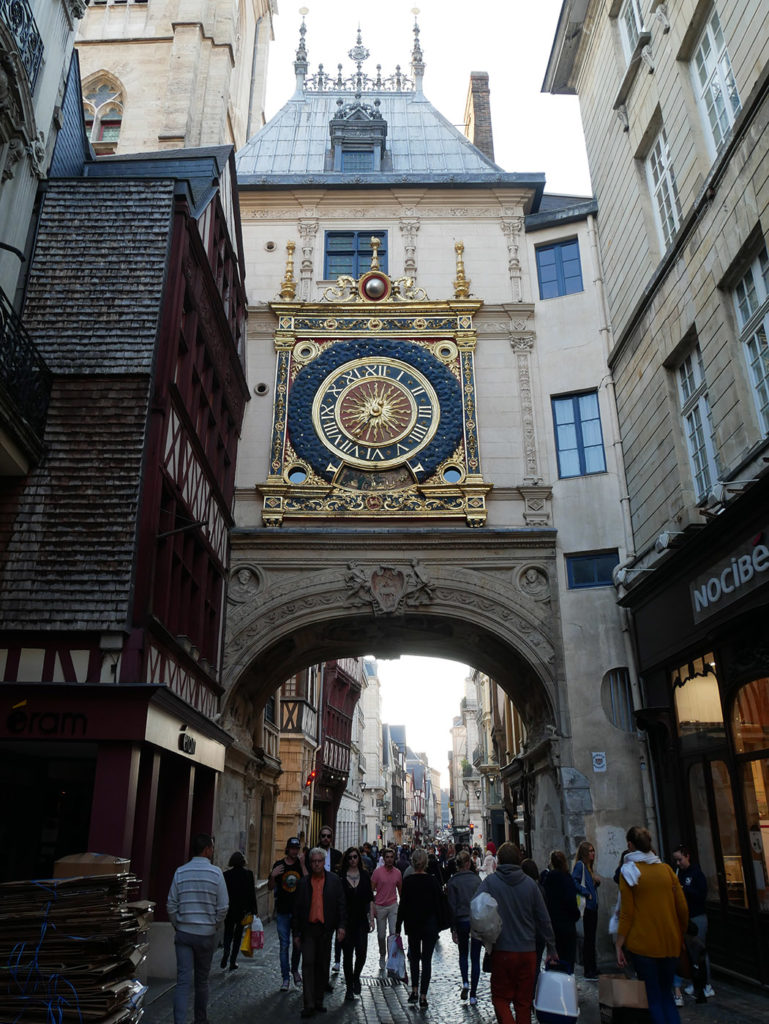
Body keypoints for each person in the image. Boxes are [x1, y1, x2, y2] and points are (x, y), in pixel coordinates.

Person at [477, 841, 558, 1024]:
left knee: (500, 998)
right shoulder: (530, 885)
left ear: (498, 862)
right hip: (527, 951)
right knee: (523, 1002)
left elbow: (476, 910)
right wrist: (551, 947)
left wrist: (485, 939)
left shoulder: (490, 883)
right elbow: (544, 919)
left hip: (503, 950)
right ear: (519, 861)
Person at [615, 826, 689, 1024]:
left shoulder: (629, 872)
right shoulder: (666, 870)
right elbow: (682, 908)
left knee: (653, 998)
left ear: (630, 845)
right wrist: (679, 932)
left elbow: (627, 912)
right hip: (669, 943)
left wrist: (619, 943)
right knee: (667, 996)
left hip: (644, 944)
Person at [167, 833, 229, 1024]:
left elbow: (171, 904)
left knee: (183, 981)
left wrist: (179, 924)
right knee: (202, 981)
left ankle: (179, 1021)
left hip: (184, 933)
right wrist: (213, 924)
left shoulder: (180, 872)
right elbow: (223, 906)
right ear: (207, 850)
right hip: (205, 935)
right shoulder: (216, 873)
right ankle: (200, 1020)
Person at [292, 846, 346, 1018]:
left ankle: (319, 1000)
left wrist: (341, 926)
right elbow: (297, 910)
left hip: (325, 929)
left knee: (322, 966)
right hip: (308, 929)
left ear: (324, 862)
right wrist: (296, 933)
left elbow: (341, 905)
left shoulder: (334, 881)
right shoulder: (303, 883)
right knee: (308, 964)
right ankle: (308, 1003)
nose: (316, 864)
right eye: (313, 861)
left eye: (319, 861)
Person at [396, 847, 444, 1008]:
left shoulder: (408, 882)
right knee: (427, 961)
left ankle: (414, 991)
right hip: (429, 925)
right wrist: (441, 923)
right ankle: (423, 996)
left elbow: (402, 905)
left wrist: (397, 926)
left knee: (414, 959)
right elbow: (440, 903)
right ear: (425, 863)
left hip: (413, 924)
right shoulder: (432, 881)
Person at [672, 846, 714, 1004]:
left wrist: (685, 890)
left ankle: (706, 984)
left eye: (680, 859)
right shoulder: (679, 873)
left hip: (697, 916)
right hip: (686, 918)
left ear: (687, 856)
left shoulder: (696, 873)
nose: (678, 863)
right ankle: (696, 982)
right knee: (690, 952)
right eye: (676, 860)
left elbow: (702, 894)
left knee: (700, 951)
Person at [269, 837, 307, 992]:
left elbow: (307, 882)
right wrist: (272, 875)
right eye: (292, 848)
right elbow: (270, 888)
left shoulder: (300, 865)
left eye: (297, 848)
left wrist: (303, 864)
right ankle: (285, 978)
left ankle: (295, 970)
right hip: (283, 912)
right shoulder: (279, 865)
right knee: (284, 945)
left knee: (298, 944)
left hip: (297, 913)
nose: (294, 851)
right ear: (287, 848)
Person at [339, 846, 375, 1001]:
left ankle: (356, 976)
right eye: (350, 857)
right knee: (347, 955)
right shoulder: (341, 877)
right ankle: (349, 988)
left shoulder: (365, 875)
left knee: (361, 953)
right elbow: (338, 901)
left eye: (355, 857)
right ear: (346, 860)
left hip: (361, 920)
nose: (353, 860)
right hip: (346, 921)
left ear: (359, 858)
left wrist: (371, 918)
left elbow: (369, 898)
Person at [447, 849, 482, 1004]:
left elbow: (452, 907)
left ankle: (465, 982)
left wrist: (452, 928)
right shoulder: (476, 880)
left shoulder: (453, 881)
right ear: (468, 863)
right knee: (475, 957)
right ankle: (473, 994)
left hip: (461, 920)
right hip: (475, 920)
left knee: (463, 954)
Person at [542, 850, 580, 973]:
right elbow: (571, 901)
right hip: (567, 924)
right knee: (568, 958)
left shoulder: (548, 879)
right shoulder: (566, 878)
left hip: (553, 924)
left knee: (556, 958)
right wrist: (575, 915)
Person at [220, 851, 257, 971]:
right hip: (242, 910)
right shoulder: (248, 874)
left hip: (229, 908)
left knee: (228, 932)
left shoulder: (226, 875)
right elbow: (252, 893)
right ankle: (233, 961)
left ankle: (226, 951)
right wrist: (253, 910)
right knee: (237, 936)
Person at [573, 840, 601, 980]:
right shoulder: (580, 866)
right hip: (588, 907)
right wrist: (586, 893)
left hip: (593, 906)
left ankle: (593, 967)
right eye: (590, 851)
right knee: (588, 939)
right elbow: (574, 881)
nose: (593, 853)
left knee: (591, 938)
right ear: (584, 853)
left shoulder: (588, 867)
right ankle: (589, 969)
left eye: (593, 850)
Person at [317, 825, 343, 973]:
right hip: (318, 898)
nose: (326, 838)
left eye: (328, 836)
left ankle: (337, 960)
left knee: (337, 931)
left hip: (333, 898)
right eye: (323, 836)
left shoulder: (337, 855)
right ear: (320, 837)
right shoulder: (313, 854)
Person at [371, 845, 402, 970]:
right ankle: (382, 954)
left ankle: (391, 957)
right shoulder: (377, 873)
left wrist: (402, 908)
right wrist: (372, 908)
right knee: (381, 935)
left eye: (391, 857)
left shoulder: (398, 873)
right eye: (387, 857)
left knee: (393, 933)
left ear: (394, 859)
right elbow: (371, 890)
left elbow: (400, 891)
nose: (389, 859)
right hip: (379, 906)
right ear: (383, 858)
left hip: (393, 905)